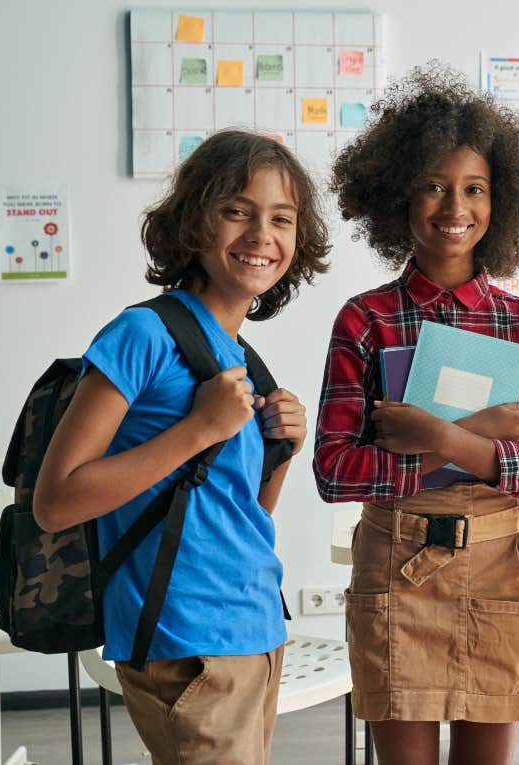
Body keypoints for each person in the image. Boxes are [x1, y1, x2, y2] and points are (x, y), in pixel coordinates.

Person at [32, 129, 331, 764]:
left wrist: (281, 450)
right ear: (195, 222)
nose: (261, 235)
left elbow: (236, 514)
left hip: (253, 627)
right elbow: (56, 502)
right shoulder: (141, 334)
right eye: (237, 211)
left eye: (282, 218)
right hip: (183, 639)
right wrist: (198, 429)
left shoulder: (242, 359)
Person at [314, 62, 519, 765]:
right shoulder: (365, 320)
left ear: (501, 200)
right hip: (398, 567)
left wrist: (443, 435)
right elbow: (334, 472)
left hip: (499, 567)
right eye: (432, 185)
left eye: (474, 188)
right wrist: (469, 438)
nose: (454, 206)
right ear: (397, 196)